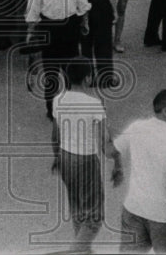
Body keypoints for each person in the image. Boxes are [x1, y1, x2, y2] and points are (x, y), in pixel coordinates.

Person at [52, 57, 117, 252]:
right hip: (85, 160)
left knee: (77, 207)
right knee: (94, 218)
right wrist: (118, 163)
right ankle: (76, 251)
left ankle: (83, 249)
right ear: (88, 78)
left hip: (65, 157)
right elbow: (105, 142)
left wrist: (57, 157)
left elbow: (55, 134)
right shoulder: (94, 103)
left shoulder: (58, 99)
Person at [111, 89, 166, 254]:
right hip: (162, 217)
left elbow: (114, 149)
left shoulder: (137, 126)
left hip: (133, 209)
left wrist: (117, 167)